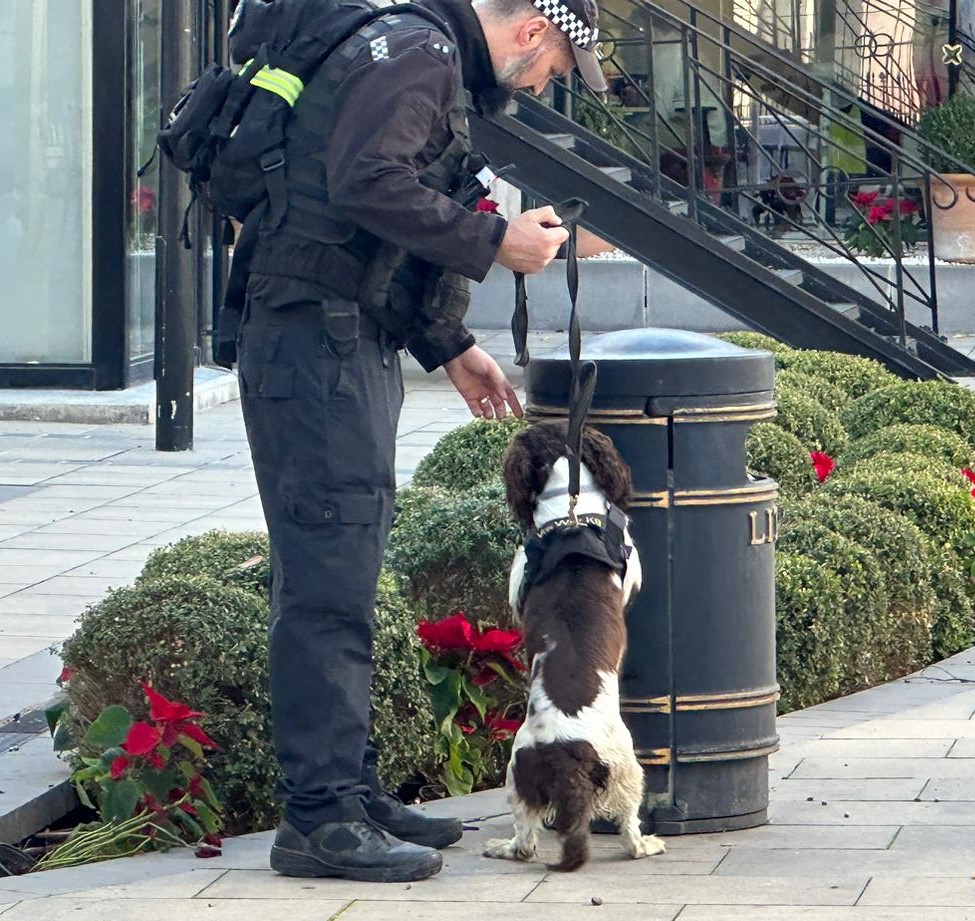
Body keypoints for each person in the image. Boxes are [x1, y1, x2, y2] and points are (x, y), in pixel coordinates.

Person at [235, 0, 608, 884]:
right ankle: (320, 817)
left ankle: (350, 792)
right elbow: (368, 181)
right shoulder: (418, 54)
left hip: (330, 333)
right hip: (311, 343)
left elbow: (363, 221)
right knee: (328, 572)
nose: (544, 82)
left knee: (345, 560)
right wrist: (496, 239)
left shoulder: (412, 50)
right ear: (528, 32)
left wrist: (450, 346)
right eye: (553, 65)